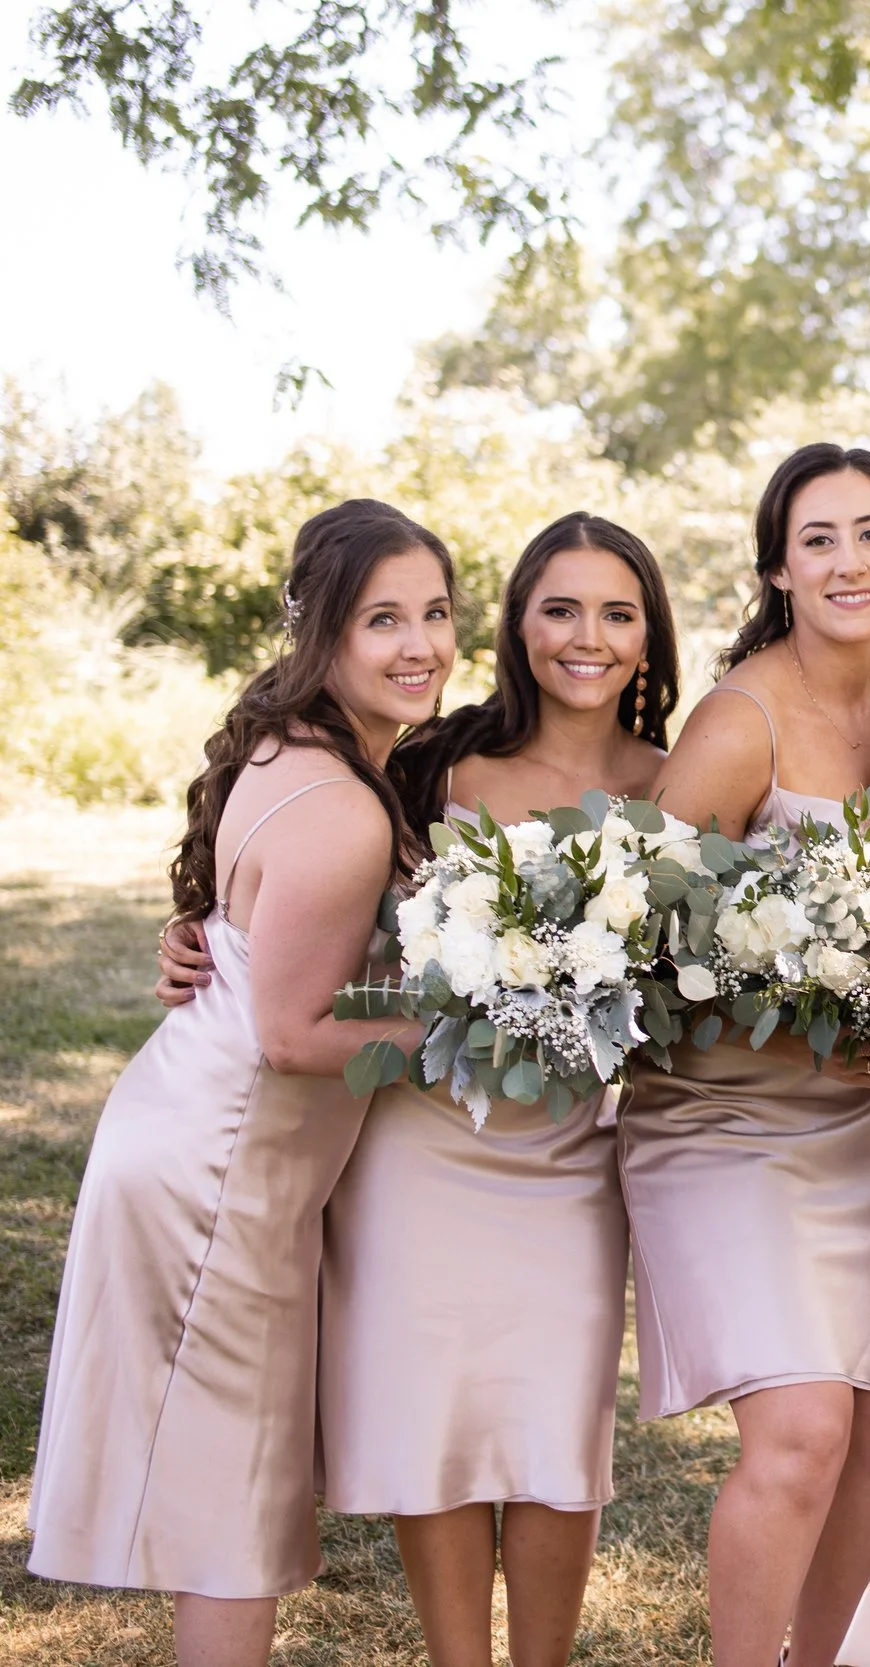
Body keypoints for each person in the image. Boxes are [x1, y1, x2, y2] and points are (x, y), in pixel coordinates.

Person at [28, 499, 453, 1667]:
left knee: (227, 1498)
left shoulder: (299, 746)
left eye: (434, 613)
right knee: (233, 1518)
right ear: (322, 629)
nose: (419, 643)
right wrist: (466, 1028)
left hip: (196, 1138)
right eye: (382, 619)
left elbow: (248, 938)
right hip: (221, 1172)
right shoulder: (341, 806)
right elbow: (294, 1035)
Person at [320, 512, 674, 1667]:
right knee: (439, 1422)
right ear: (519, 624)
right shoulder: (434, 761)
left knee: (555, 1432)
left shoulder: (674, 785)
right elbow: (302, 867)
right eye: (559, 608)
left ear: (649, 633)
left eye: (616, 612)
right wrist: (197, 924)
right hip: (422, 1145)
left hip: (570, 1154)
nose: (587, 636)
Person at [625, 445, 870, 1667]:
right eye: (818, 539)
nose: (849, 561)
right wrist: (800, 1018)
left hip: (869, 1126)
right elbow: (630, 947)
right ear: (777, 570)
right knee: (804, 1428)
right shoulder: (737, 720)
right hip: (723, 1123)